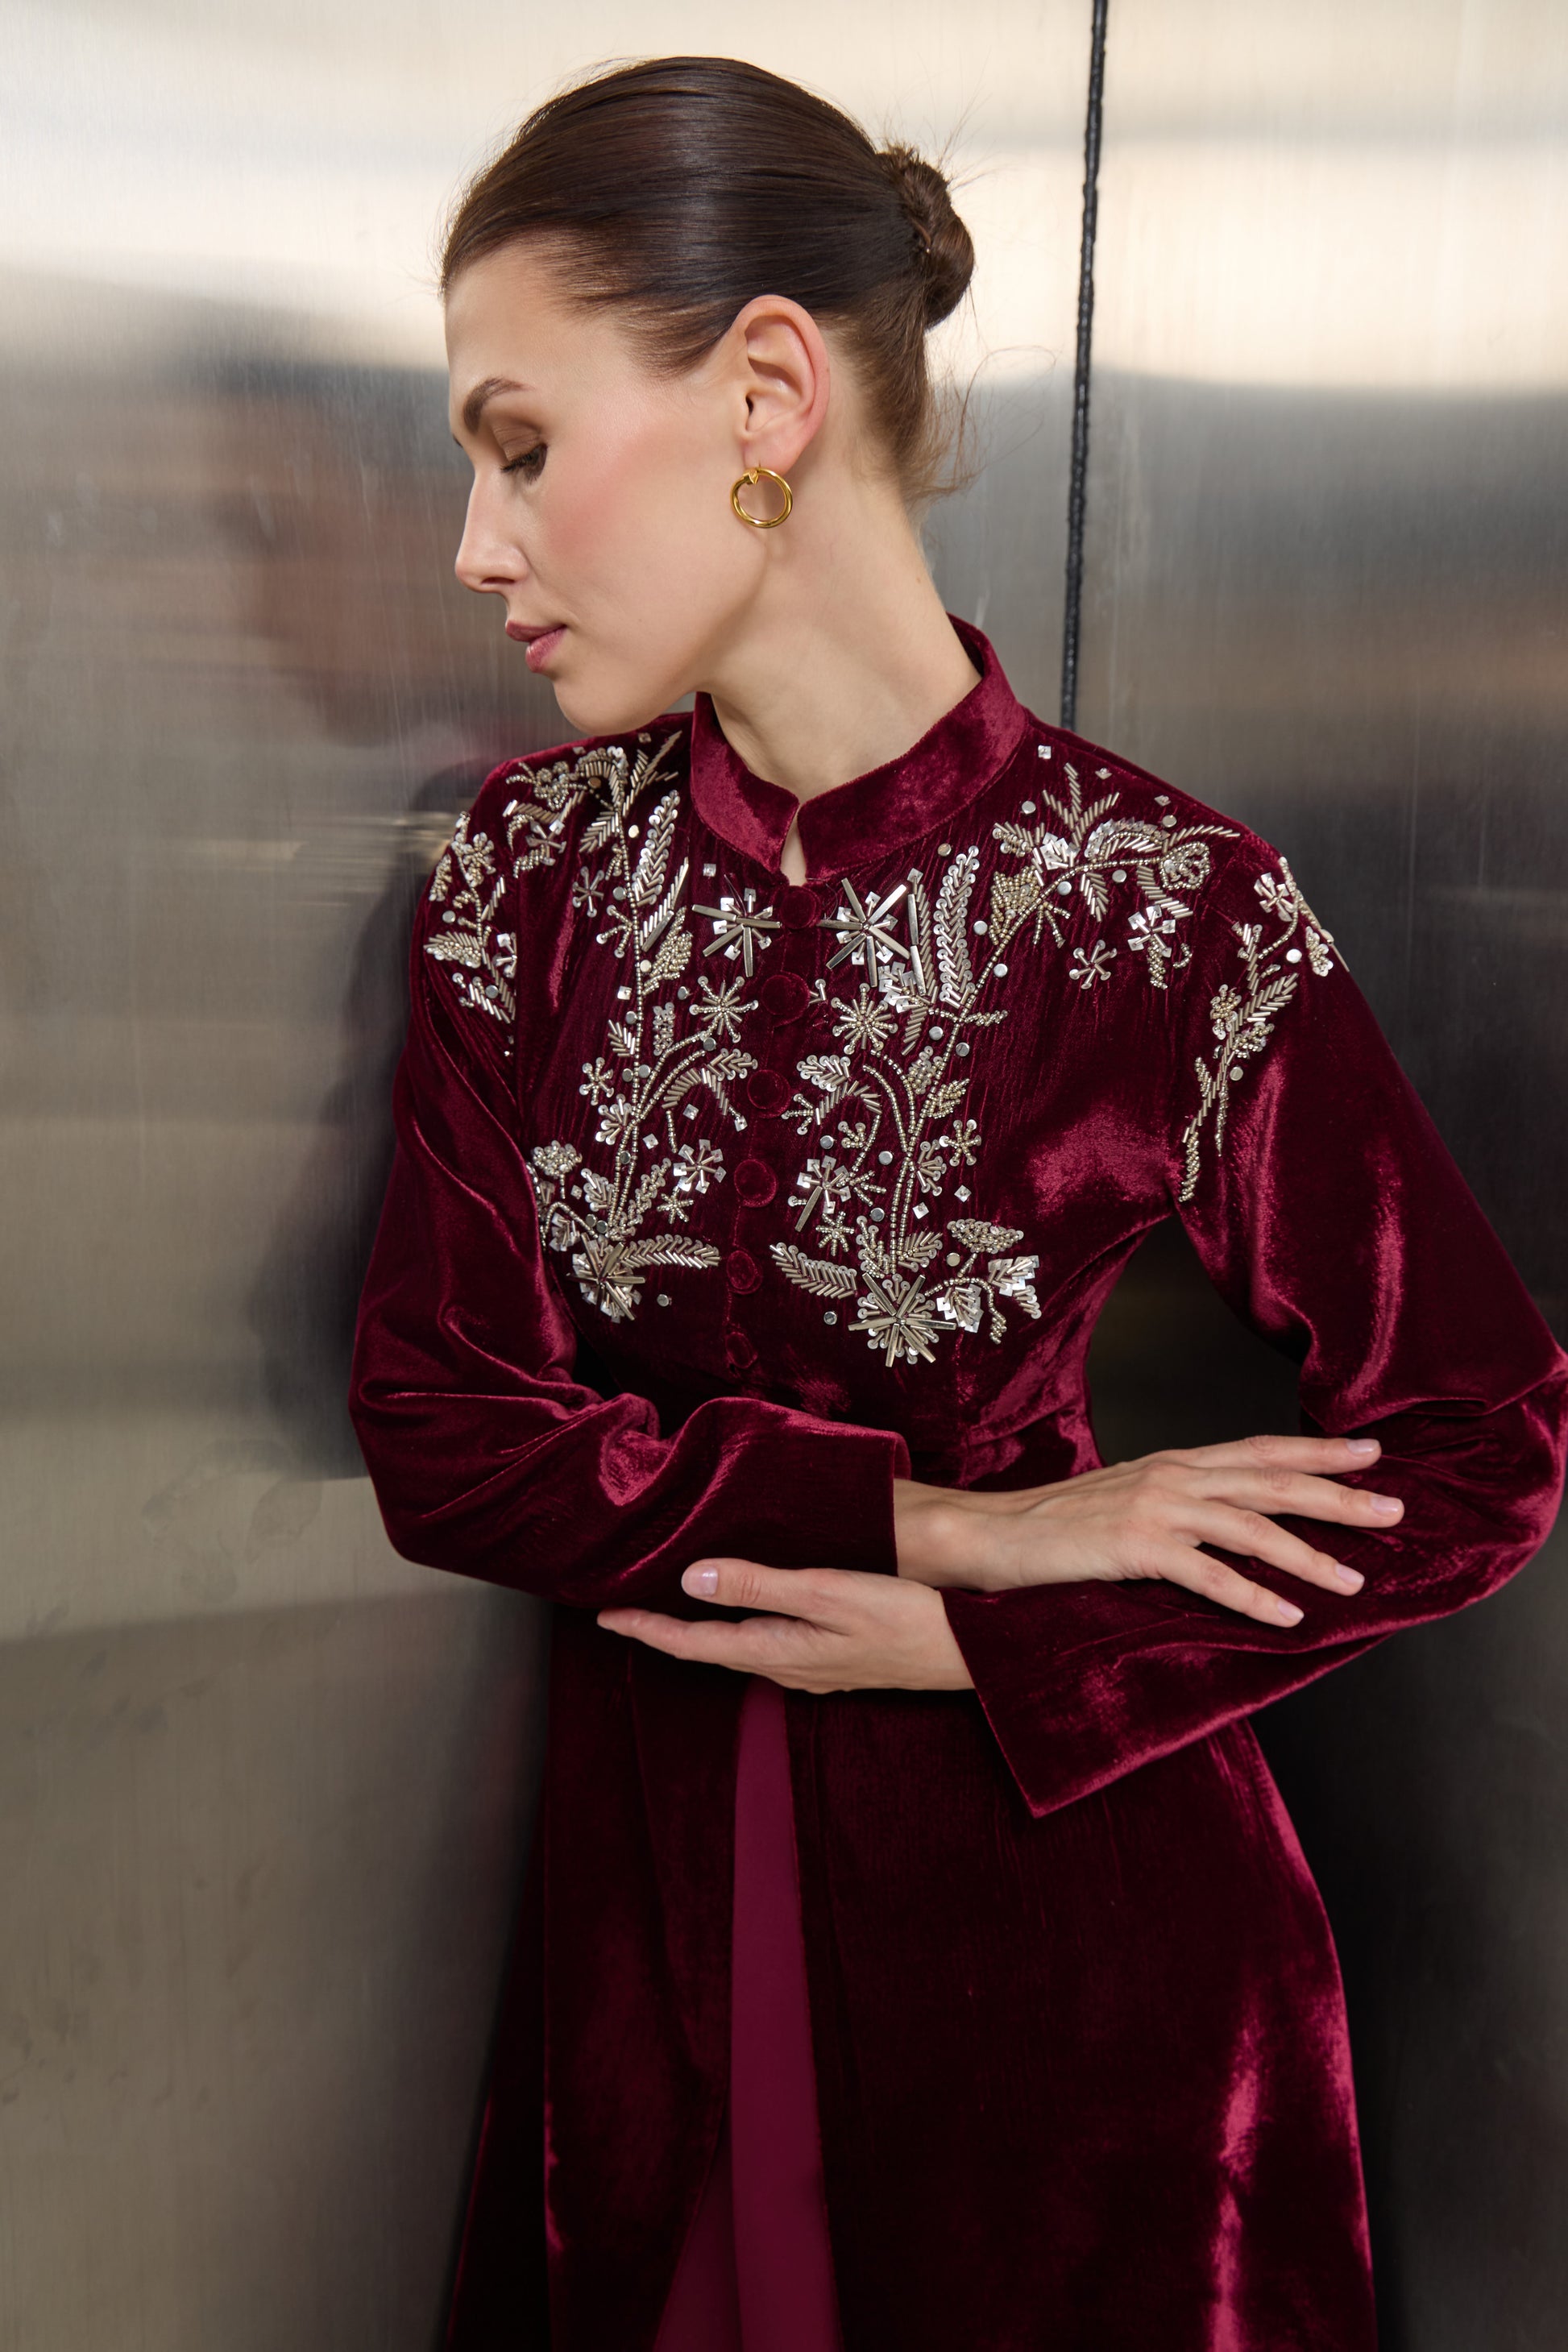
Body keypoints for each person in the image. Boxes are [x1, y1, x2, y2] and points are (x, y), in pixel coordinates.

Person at [348, 56, 1568, 2352]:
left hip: (1086, 2014)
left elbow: (1481, 1437)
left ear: (766, 393)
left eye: (518, 447)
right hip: (644, 1984)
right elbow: (441, 1426)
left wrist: (1025, 1650)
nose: (477, 547)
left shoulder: (1158, 905)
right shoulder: (527, 879)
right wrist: (962, 1535)